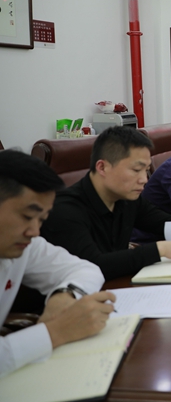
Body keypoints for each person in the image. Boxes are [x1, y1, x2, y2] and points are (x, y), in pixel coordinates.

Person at [41, 127, 171, 281]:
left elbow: (163, 222)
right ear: (102, 167)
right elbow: (94, 265)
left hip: (119, 286)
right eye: (136, 170)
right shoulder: (66, 210)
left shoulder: (127, 198)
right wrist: (160, 249)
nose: (144, 179)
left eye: (146, 170)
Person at [0, 151, 114, 377]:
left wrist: (65, 295)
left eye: (41, 219)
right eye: (27, 216)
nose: (35, 231)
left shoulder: (25, 245)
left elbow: (87, 269)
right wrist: (55, 332)